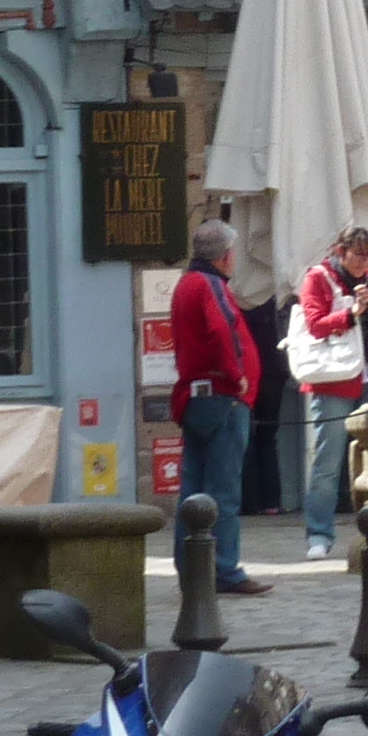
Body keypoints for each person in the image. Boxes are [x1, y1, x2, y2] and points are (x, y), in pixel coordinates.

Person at [283, 227, 368, 562]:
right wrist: (351, 313)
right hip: (335, 380)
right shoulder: (319, 279)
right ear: (341, 251)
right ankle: (319, 535)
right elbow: (315, 324)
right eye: (358, 253)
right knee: (328, 460)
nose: (364, 260)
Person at [164, 221, 269, 596]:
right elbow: (223, 329)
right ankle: (224, 569)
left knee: (193, 489)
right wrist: (237, 374)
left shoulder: (185, 284)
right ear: (226, 256)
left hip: (195, 396)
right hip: (222, 396)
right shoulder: (211, 286)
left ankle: (191, 569)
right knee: (222, 491)